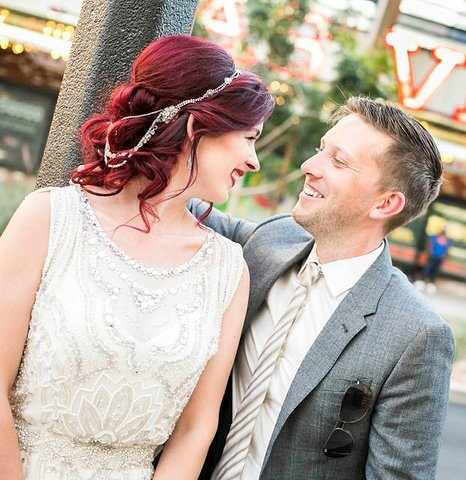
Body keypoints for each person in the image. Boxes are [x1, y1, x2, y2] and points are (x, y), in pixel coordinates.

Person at [0, 35, 274, 479]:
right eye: (249, 138)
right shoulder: (50, 218)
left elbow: (195, 429)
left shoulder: (227, 270)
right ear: (195, 129)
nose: (254, 160)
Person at [191, 97, 455, 480]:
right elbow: (182, 208)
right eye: (320, 150)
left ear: (386, 203)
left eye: (338, 161)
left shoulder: (416, 336)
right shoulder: (269, 240)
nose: (309, 167)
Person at [417, 226, 453, 293]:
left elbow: (448, 250)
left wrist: (445, 258)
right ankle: (421, 281)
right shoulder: (434, 237)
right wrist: (428, 253)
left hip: (440, 258)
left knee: (435, 271)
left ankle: (431, 284)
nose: (443, 231)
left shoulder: (448, 240)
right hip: (432, 256)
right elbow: (429, 245)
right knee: (427, 268)